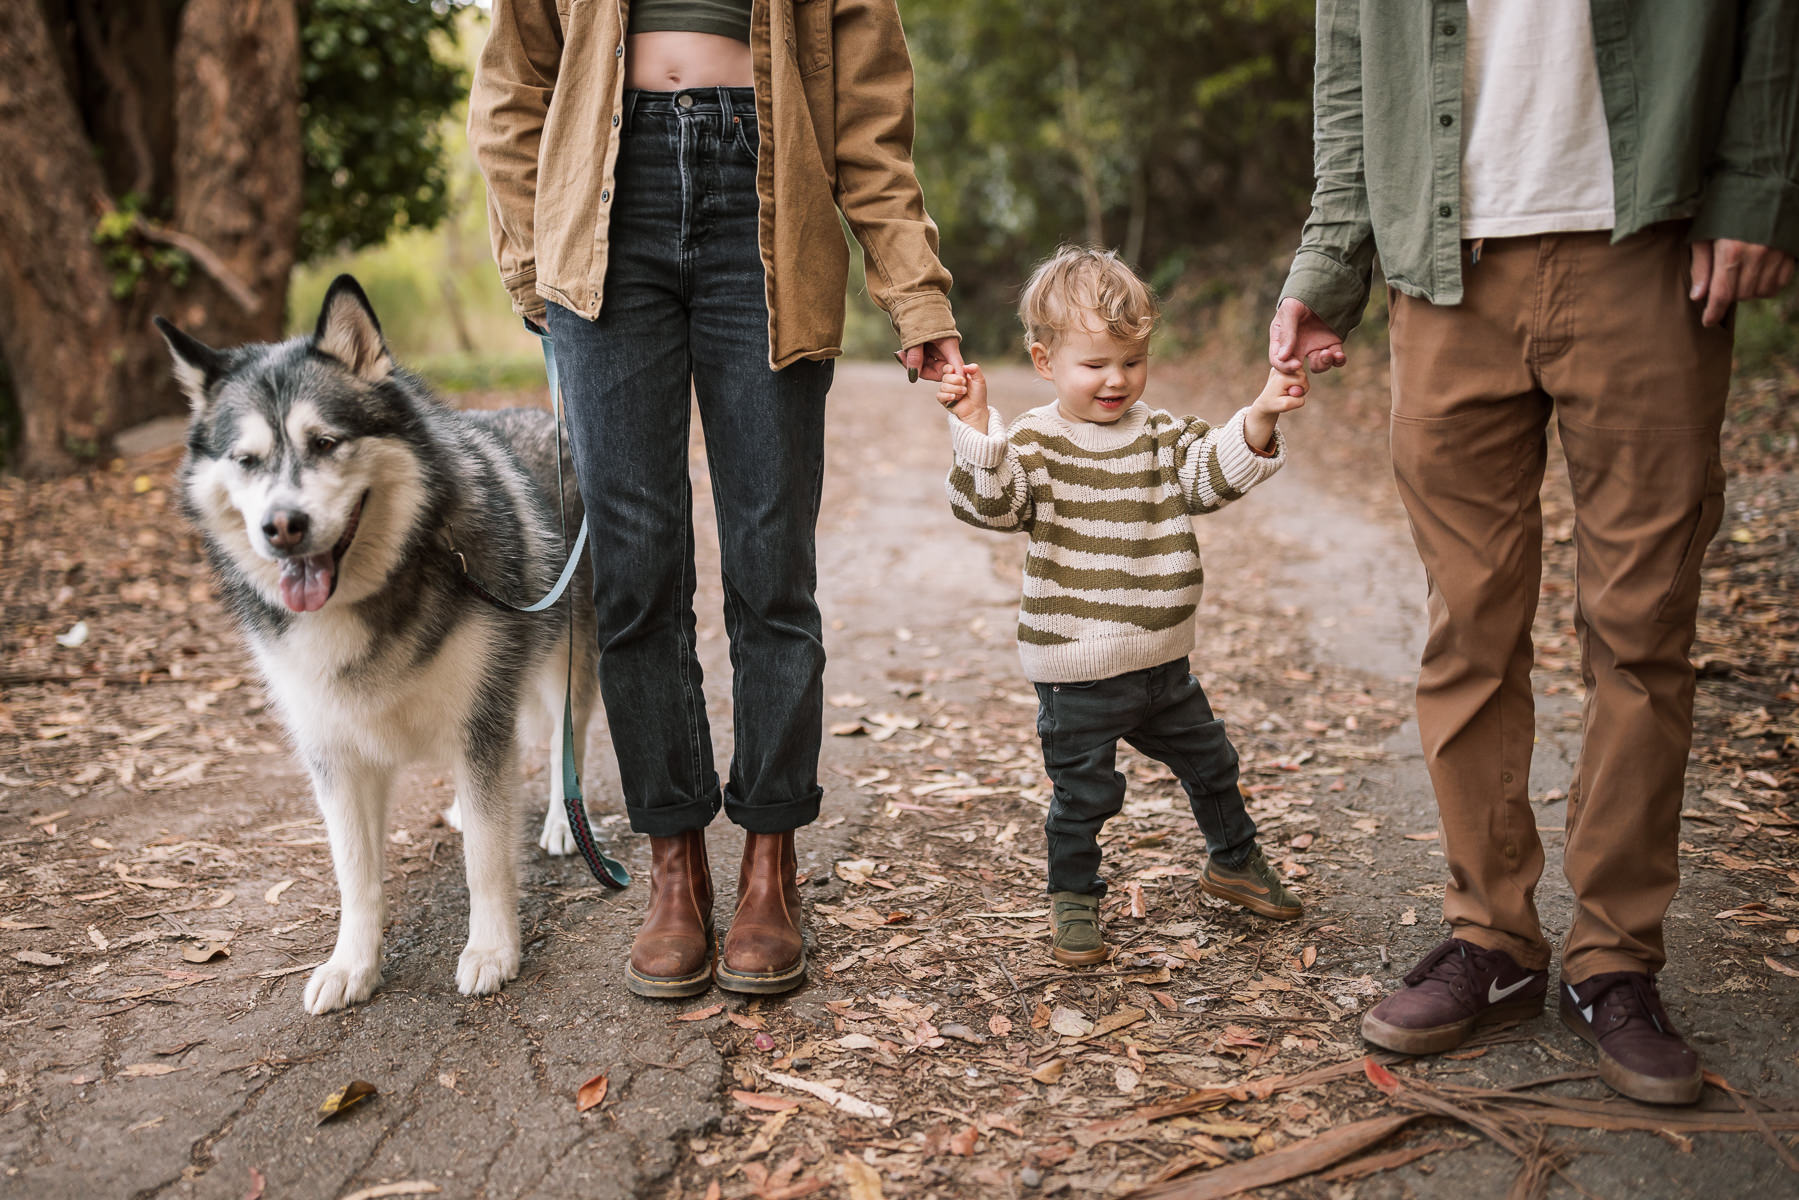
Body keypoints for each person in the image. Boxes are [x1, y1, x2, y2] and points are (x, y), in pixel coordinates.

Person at [1270, 2, 1798, 1104]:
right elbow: (1347, 55)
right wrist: (1331, 251)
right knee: (1465, 622)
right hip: (1442, 265)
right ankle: (1492, 938)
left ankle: (1615, 959)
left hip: (1645, 246)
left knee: (1641, 627)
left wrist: (1755, 184)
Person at [469, 0, 963, 998]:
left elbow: (867, 114)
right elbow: (515, 85)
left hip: (764, 194)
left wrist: (914, 292)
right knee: (638, 571)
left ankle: (771, 867)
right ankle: (673, 865)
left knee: (769, 565)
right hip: (607, 207)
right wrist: (535, 261)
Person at [940, 246, 1306, 965]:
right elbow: (992, 505)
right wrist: (979, 431)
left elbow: (1208, 476)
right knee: (1084, 797)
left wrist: (1259, 414)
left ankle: (1232, 860)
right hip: (1075, 670)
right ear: (1044, 362)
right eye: (1095, 364)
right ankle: (1073, 900)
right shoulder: (1035, 443)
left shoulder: (1161, 435)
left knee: (1213, 765)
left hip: (1163, 665)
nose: (1117, 380)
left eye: (1132, 361)